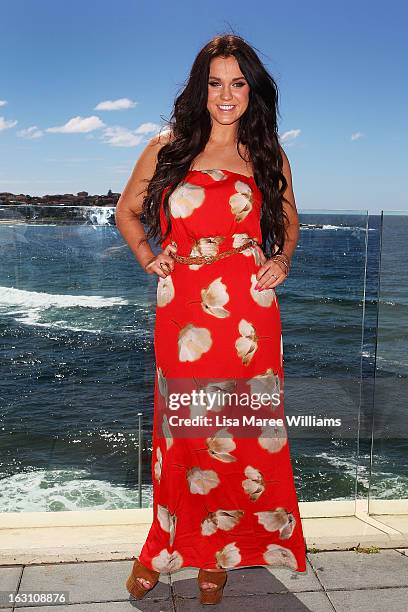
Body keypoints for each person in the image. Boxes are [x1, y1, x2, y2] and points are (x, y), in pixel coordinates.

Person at [116, 33, 306, 606]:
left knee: (240, 434)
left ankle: (217, 555)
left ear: (253, 91)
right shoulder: (166, 147)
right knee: (187, 434)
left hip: (249, 315)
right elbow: (126, 212)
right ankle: (164, 545)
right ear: (200, 89)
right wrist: (150, 258)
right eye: (216, 83)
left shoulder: (266, 152)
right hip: (185, 311)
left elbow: (291, 220)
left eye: (238, 83)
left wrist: (282, 260)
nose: (227, 95)